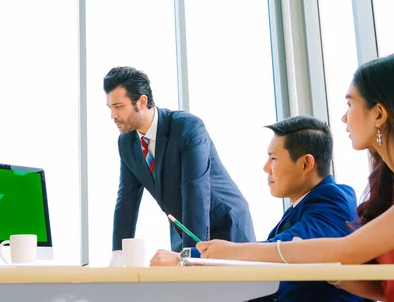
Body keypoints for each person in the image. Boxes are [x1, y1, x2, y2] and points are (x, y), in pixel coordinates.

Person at [196, 54, 394, 302]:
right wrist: (330, 270)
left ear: (378, 114)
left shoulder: (331, 199)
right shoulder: (384, 189)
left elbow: (347, 250)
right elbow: (381, 290)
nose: (344, 117)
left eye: (350, 104)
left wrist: (232, 251)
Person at [151, 115, 363, 302]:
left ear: (306, 164)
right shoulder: (302, 207)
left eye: (273, 158)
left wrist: (186, 259)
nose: (265, 167)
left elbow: (287, 251)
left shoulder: (334, 199)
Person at [104, 66, 255, 266]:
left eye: (119, 106)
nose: (113, 115)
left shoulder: (187, 127)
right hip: (183, 230)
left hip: (225, 228)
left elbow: (196, 191)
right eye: (110, 108)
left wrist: (189, 255)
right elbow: (127, 199)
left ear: (142, 102)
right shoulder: (126, 142)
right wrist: (118, 254)